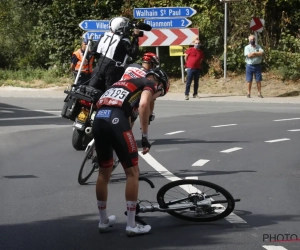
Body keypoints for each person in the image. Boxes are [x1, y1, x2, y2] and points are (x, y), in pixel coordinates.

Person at [92, 68, 169, 237]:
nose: (156, 96)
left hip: (99, 119)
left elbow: (127, 119)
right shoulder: (149, 83)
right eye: (159, 93)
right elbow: (143, 105)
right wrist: (145, 136)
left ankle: (103, 221)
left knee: (104, 172)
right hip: (115, 118)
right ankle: (132, 225)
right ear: (158, 84)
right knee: (133, 172)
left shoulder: (122, 83)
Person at [89, 16, 140, 93]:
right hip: (113, 69)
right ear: (121, 28)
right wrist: (136, 38)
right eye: (125, 27)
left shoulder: (104, 35)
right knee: (109, 93)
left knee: (91, 89)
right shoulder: (123, 40)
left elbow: (93, 51)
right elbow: (133, 54)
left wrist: (102, 59)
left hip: (100, 66)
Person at [120, 52, 160, 126]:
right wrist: (149, 114)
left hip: (116, 91)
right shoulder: (149, 76)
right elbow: (151, 98)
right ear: (151, 64)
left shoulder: (131, 66)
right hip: (129, 99)